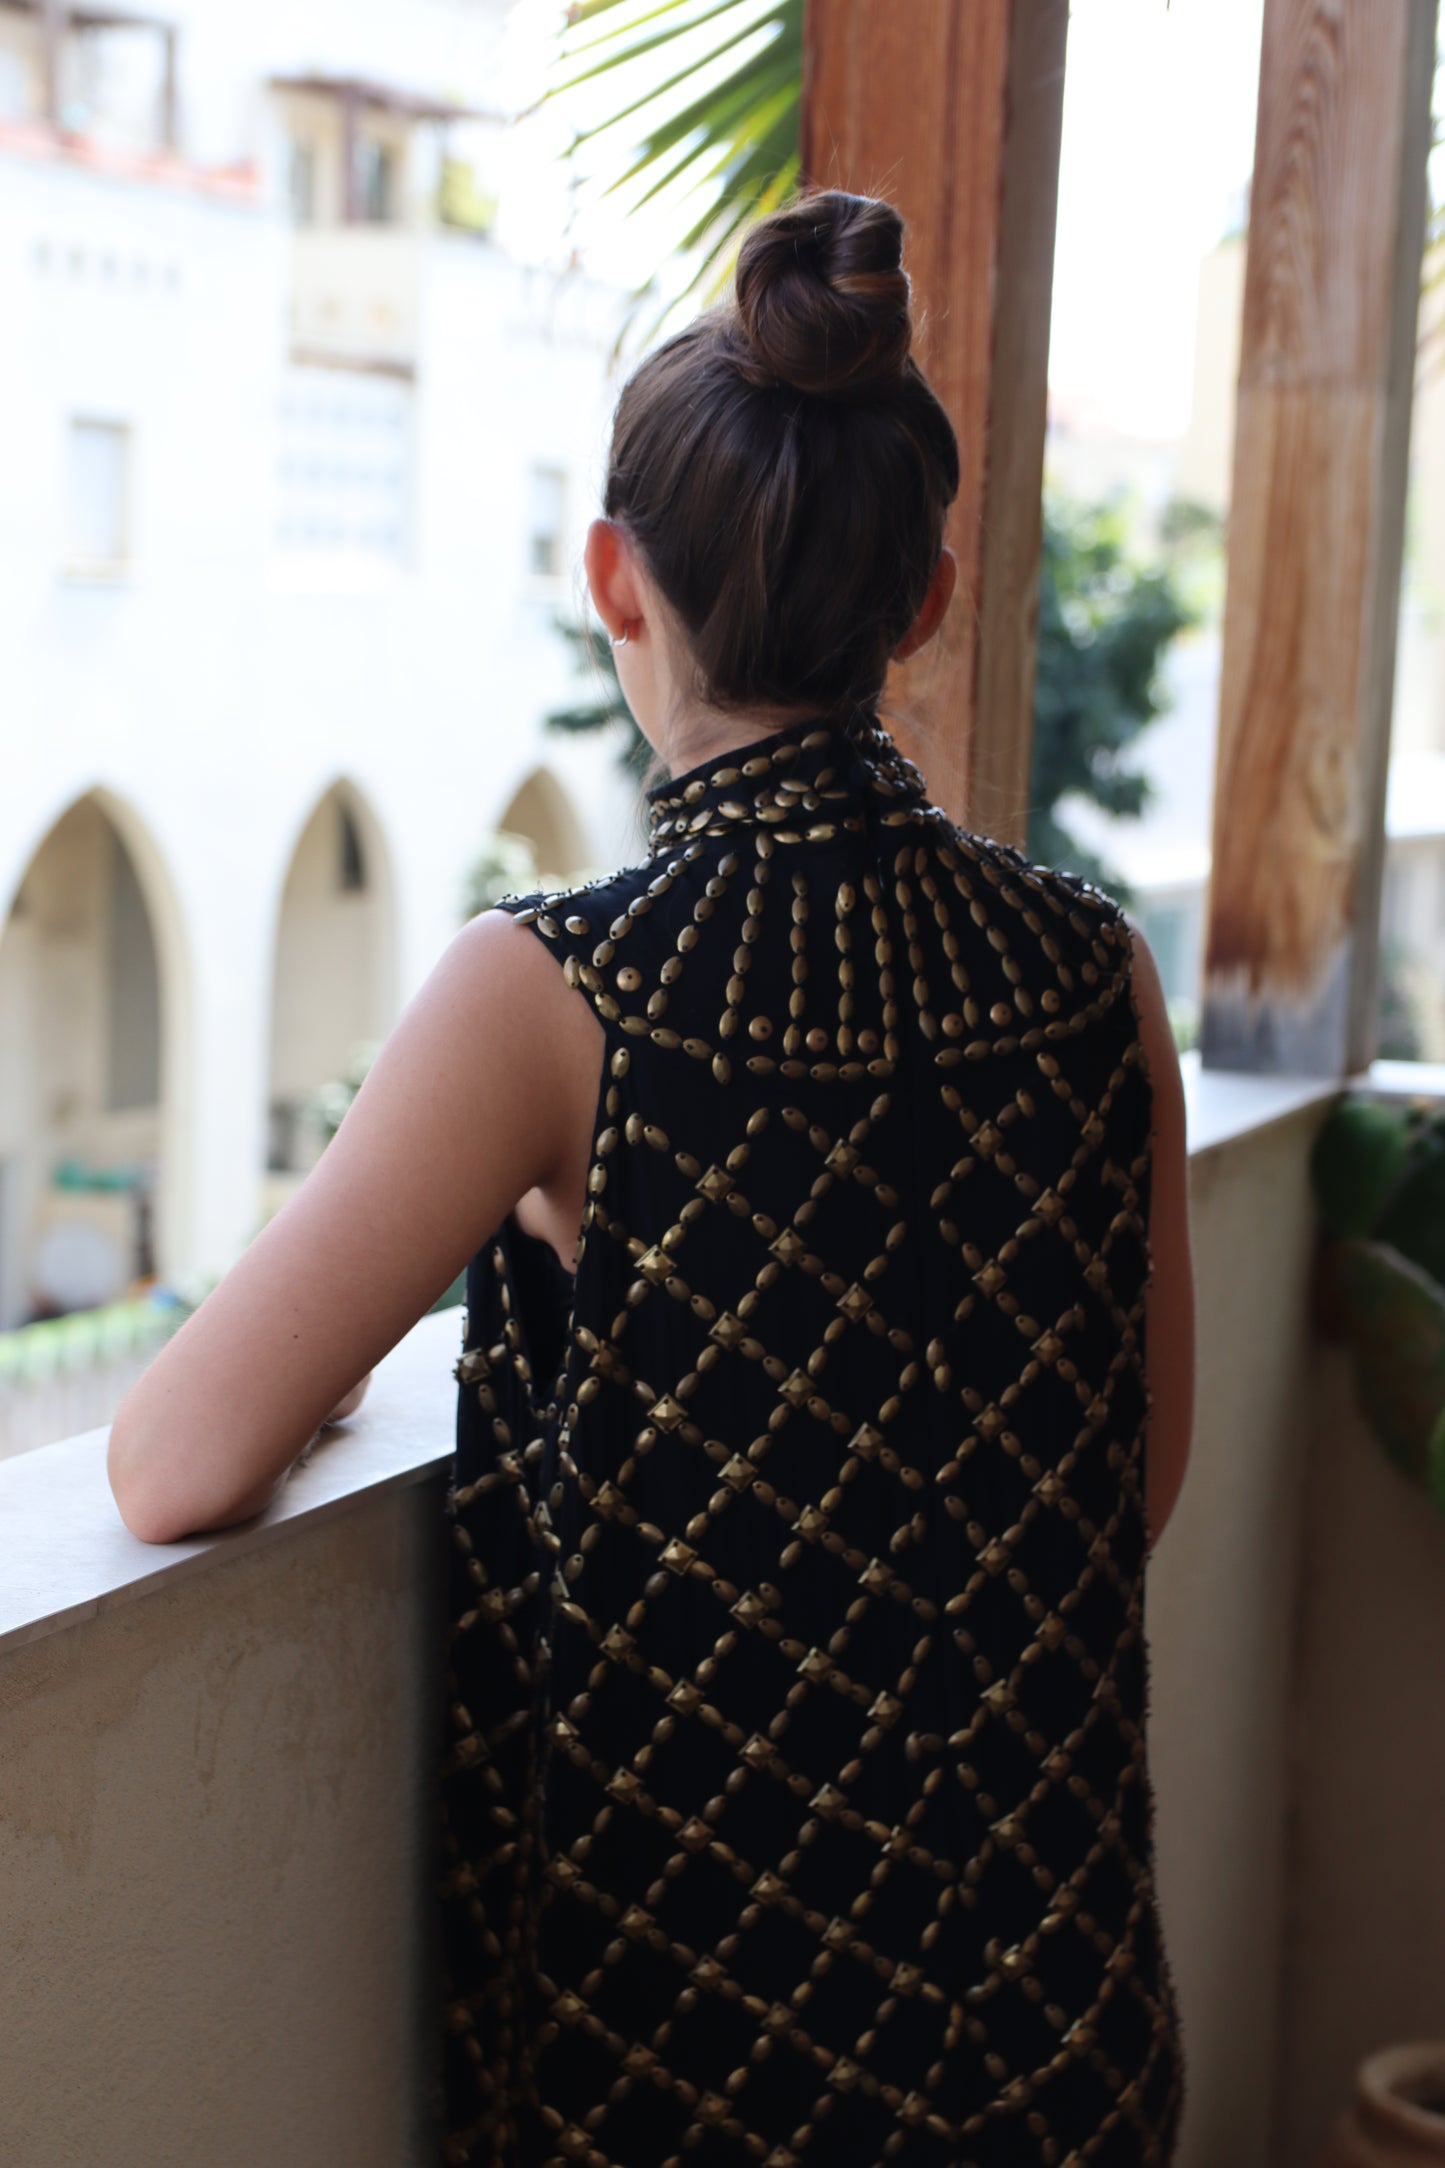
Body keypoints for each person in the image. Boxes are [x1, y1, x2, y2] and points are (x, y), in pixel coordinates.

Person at [109, 187, 1194, 2166]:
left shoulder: (550, 992)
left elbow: (172, 1458)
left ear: (616, 579)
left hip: (701, 2076)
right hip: (1061, 2032)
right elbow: (1132, 1484)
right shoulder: (1094, 969)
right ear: (928, 601)